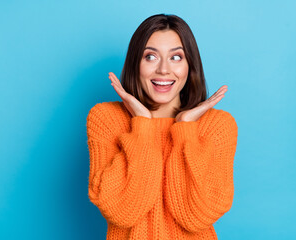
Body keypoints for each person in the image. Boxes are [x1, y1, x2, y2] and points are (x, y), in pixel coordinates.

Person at [86, 13, 238, 239]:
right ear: (135, 63)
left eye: (176, 57)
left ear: (190, 65)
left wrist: (186, 129)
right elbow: (122, 212)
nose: (164, 70)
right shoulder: (106, 118)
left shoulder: (217, 126)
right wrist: (142, 127)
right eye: (150, 57)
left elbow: (196, 216)